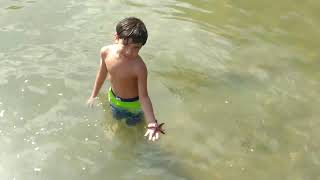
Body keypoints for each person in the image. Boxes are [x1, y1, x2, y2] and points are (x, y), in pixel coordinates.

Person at [87, 17, 164, 142]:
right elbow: (101, 74)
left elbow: (144, 97)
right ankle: (116, 126)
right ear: (116, 38)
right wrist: (93, 95)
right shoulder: (105, 52)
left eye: (136, 48)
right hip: (113, 98)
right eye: (126, 45)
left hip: (133, 105)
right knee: (116, 116)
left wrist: (151, 123)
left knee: (132, 127)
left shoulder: (139, 67)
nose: (129, 51)